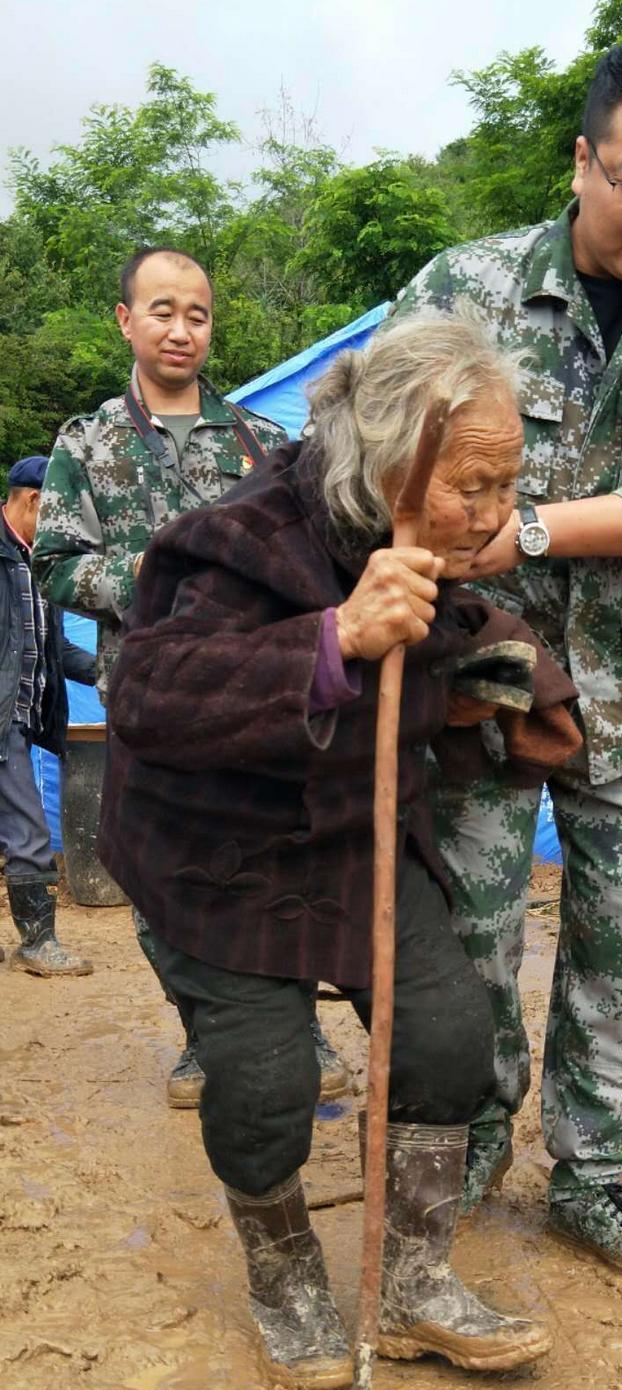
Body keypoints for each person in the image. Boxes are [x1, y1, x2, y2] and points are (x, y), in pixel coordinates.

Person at [96, 314, 580, 1386]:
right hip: (213, 855)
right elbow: (145, 692)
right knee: (265, 1085)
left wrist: (482, 673)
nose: (496, 513)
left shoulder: (421, 537)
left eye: (508, 482)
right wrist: (330, 642)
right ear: (388, 456)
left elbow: (449, 635)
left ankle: (412, 1285)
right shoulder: (234, 538)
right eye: (474, 484)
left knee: (451, 1037)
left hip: (354, 837)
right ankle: (286, 1281)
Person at [391, 37, 622, 1286]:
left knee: (619, 945)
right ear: (581, 159)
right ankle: (462, 1154)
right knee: (478, 942)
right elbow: (382, 450)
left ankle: (592, 1183)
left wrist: (533, 527)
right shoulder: (467, 288)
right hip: (483, 689)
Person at [33, 246, 349, 1106]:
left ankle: (301, 1030)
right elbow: (56, 563)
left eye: (198, 314)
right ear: (126, 320)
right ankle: (203, 1038)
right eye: (163, 310)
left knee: (278, 855)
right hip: (150, 695)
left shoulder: (266, 443)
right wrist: (153, 577)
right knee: (161, 869)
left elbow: (313, 558)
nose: (182, 329)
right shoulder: (87, 443)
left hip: (258, 691)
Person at [1, 455, 96, 973]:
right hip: (1, 720)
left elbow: (54, 648)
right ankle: (37, 944)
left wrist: (109, 672)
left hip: (21, 714)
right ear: (35, 500)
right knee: (29, 831)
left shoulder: (40, 564)